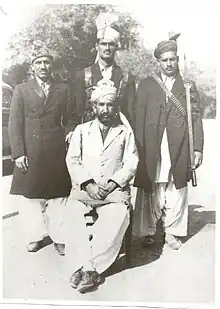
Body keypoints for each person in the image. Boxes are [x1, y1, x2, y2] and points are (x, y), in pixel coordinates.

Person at [64, 79, 138, 293]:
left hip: (113, 192)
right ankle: (89, 269)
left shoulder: (124, 132)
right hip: (85, 191)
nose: (106, 110)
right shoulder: (81, 130)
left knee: (116, 218)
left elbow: (131, 162)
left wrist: (114, 183)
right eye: (101, 105)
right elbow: (73, 160)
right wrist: (88, 184)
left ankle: (88, 268)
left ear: (116, 107)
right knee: (73, 215)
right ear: (94, 107)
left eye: (110, 105)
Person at [133, 38, 204, 250]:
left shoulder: (188, 87)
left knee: (176, 186)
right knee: (152, 186)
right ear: (158, 62)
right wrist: (137, 147)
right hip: (152, 144)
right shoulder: (146, 85)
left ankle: (172, 232)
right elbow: (139, 117)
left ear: (177, 60)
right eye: (164, 60)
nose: (169, 64)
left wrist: (198, 148)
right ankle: (149, 231)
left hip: (179, 145)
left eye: (172, 59)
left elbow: (197, 119)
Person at [8, 43, 78, 255]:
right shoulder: (21, 90)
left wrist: (71, 131)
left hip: (56, 150)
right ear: (33, 66)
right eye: (39, 62)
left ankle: (59, 237)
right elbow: (14, 122)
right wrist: (18, 153)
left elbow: (73, 116)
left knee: (58, 196)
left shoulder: (63, 89)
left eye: (47, 62)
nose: (43, 66)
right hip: (31, 150)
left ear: (52, 65)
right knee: (31, 198)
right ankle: (35, 236)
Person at [73, 12, 136, 129]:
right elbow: (75, 110)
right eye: (103, 44)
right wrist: (72, 131)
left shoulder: (126, 77)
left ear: (116, 47)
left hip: (117, 132)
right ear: (97, 46)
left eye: (111, 44)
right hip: (89, 132)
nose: (107, 48)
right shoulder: (83, 75)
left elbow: (131, 112)